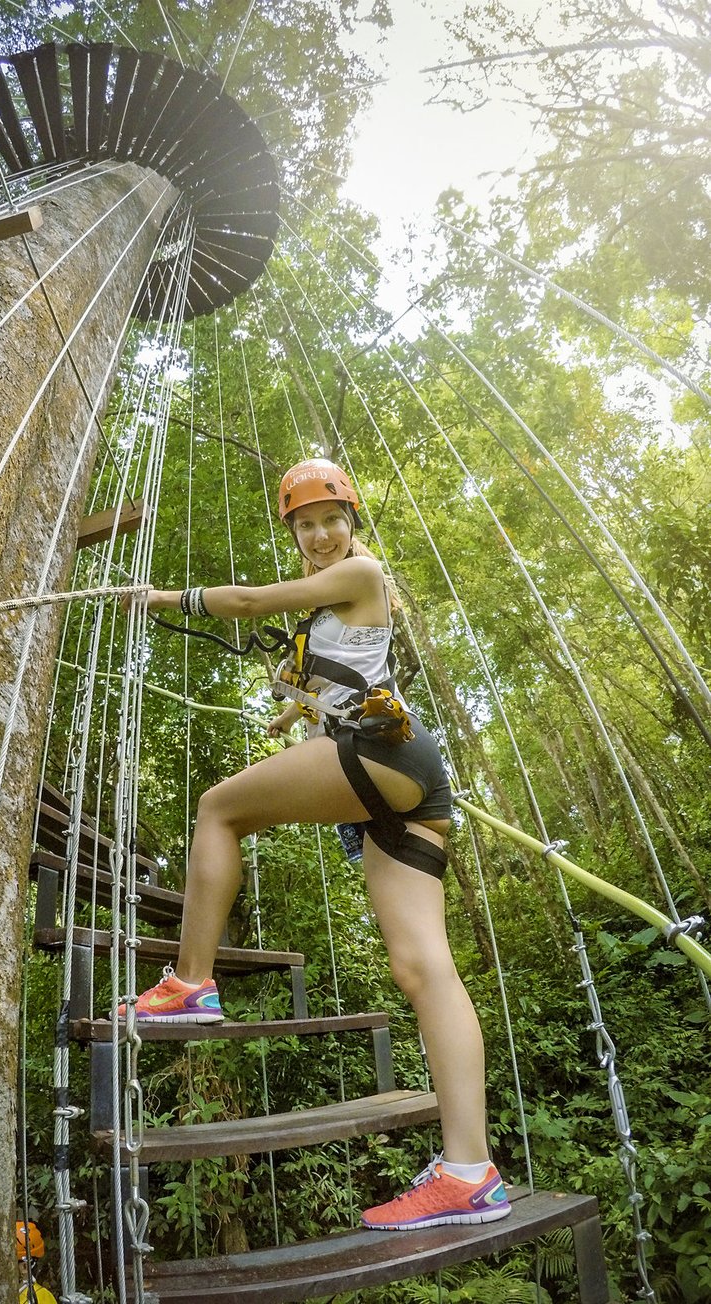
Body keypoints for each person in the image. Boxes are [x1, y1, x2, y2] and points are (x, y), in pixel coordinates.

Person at [123, 458, 510, 1231]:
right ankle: (472, 1172)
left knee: (218, 810)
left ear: (352, 523)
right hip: (400, 783)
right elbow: (335, 688)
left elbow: (250, 600)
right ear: (295, 532)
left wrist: (164, 598)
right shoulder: (328, 618)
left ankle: (190, 984)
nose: (322, 533)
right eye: (306, 524)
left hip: (386, 759)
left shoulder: (364, 574)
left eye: (333, 518)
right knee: (421, 967)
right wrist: (293, 717)